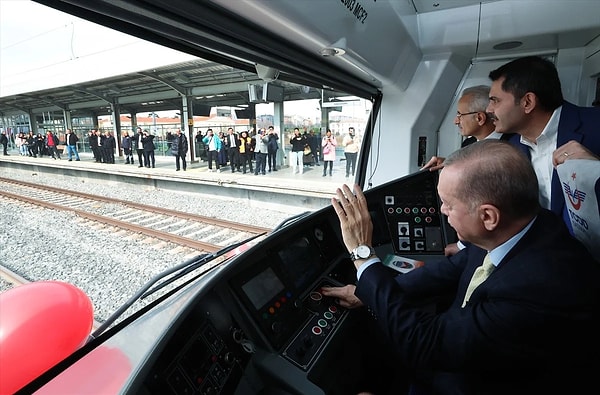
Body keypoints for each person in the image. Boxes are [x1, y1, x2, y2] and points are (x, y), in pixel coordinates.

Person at [323, 140, 600, 395]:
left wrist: (363, 256)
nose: (441, 211)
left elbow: (424, 342)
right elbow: (453, 268)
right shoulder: (530, 224)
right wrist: (365, 290)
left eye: (448, 204)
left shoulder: (539, 288)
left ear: (488, 216)